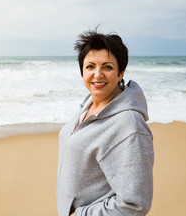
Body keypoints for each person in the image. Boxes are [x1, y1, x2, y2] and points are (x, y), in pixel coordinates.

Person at [57, 29, 154, 216]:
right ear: (82, 71)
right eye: (90, 66)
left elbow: (135, 204)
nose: (98, 74)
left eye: (108, 67)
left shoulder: (129, 124)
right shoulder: (87, 106)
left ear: (120, 73)